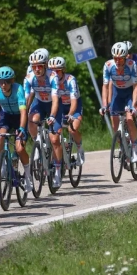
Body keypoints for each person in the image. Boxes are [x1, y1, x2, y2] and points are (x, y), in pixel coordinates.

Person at [0, 66, 32, 193]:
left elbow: (24, 112)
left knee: (19, 148)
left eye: (7, 81)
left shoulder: (18, 90)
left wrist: (21, 128)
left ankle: (28, 175)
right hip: (7, 115)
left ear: (12, 81)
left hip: (20, 117)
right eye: (0, 82)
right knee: (0, 137)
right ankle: (2, 165)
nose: (3, 85)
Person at [100, 42, 137, 163]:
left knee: (129, 119)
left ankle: (134, 147)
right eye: (115, 58)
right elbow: (105, 87)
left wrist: (133, 105)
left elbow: (136, 87)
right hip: (117, 92)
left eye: (120, 59)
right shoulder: (108, 65)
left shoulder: (132, 65)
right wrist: (104, 105)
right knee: (115, 124)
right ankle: (122, 145)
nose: (117, 61)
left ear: (125, 57)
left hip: (129, 93)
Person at [46, 56, 84, 188]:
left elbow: (74, 101)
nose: (54, 73)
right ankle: (58, 161)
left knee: (72, 129)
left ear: (63, 70)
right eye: (52, 70)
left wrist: (71, 114)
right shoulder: (50, 80)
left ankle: (79, 148)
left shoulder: (70, 80)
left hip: (74, 106)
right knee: (55, 135)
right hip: (61, 106)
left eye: (58, 71)